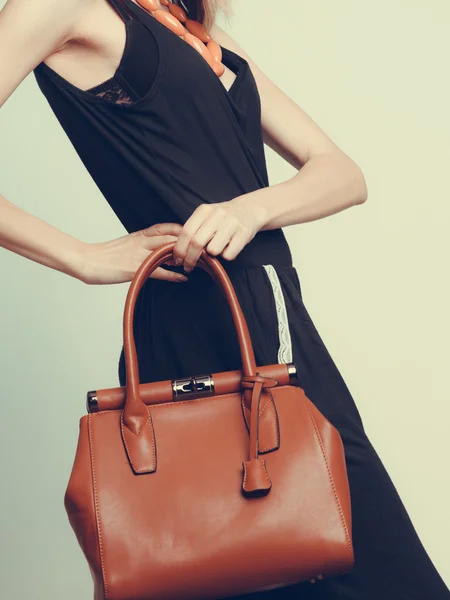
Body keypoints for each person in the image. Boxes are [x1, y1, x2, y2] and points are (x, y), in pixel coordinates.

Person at [0, 0, 448, 598]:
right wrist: (82, 258)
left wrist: (252, 207)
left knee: (333, 544)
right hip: (193, 316)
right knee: (226, 554)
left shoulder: (191, 32)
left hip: (270, 308)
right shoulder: (57, 5)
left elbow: (343, 173)